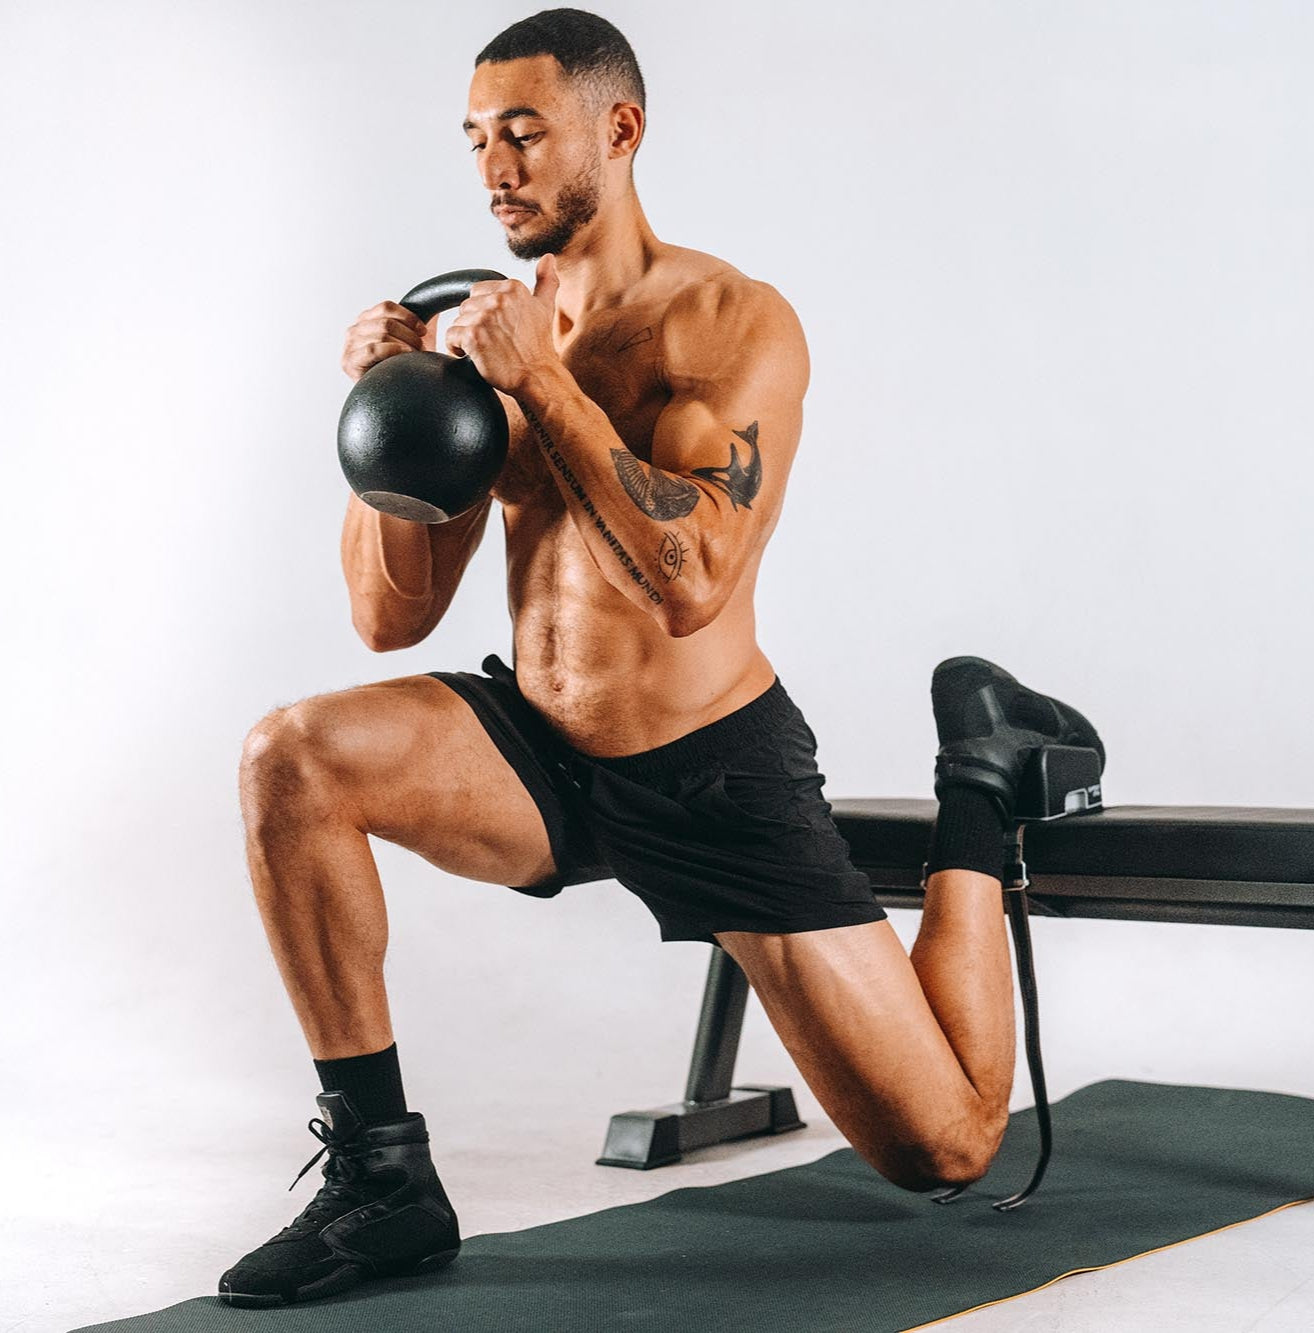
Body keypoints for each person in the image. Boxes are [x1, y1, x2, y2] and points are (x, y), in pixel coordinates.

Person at [218, 7, 1105, 1308]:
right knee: (290, 757)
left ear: (617, 130)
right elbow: (388, 620)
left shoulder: (726, 323)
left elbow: (692, 581)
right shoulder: (489, 332)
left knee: (946, 1144)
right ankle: (383, 1178)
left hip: (709, 774)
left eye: (522, 132)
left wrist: (551, 389)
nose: (492, 169)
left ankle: (977, 763)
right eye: (475, 139)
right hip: (536, 745)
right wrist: (387, 428)